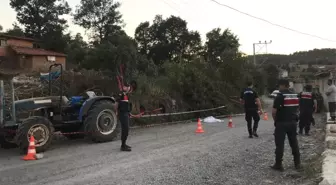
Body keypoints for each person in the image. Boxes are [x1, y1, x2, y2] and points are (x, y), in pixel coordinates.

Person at [271, 79, 302, 172]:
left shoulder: (280, 96)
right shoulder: (295, 95)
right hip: (293, 122)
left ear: (284, 85)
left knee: (280, 144)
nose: (279, 88)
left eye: (279, 86)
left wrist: (276, 121)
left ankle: (278, 164)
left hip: (282, 123)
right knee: (294, 143)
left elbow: (274, 112)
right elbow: (297, 109)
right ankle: (297, 164)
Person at [117, 83, 133, 152]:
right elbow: (116, 104)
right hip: (122, 114)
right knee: (125, 129)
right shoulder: (121, 95)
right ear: (124, 87)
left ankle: (124, 144)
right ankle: (123, 146)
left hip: (126, 114)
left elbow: (127, 106)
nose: (128, 88)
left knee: (126, 130)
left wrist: (129, 113)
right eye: (127, 87)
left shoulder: (127, 95)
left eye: (128, 87)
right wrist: (116, 112)